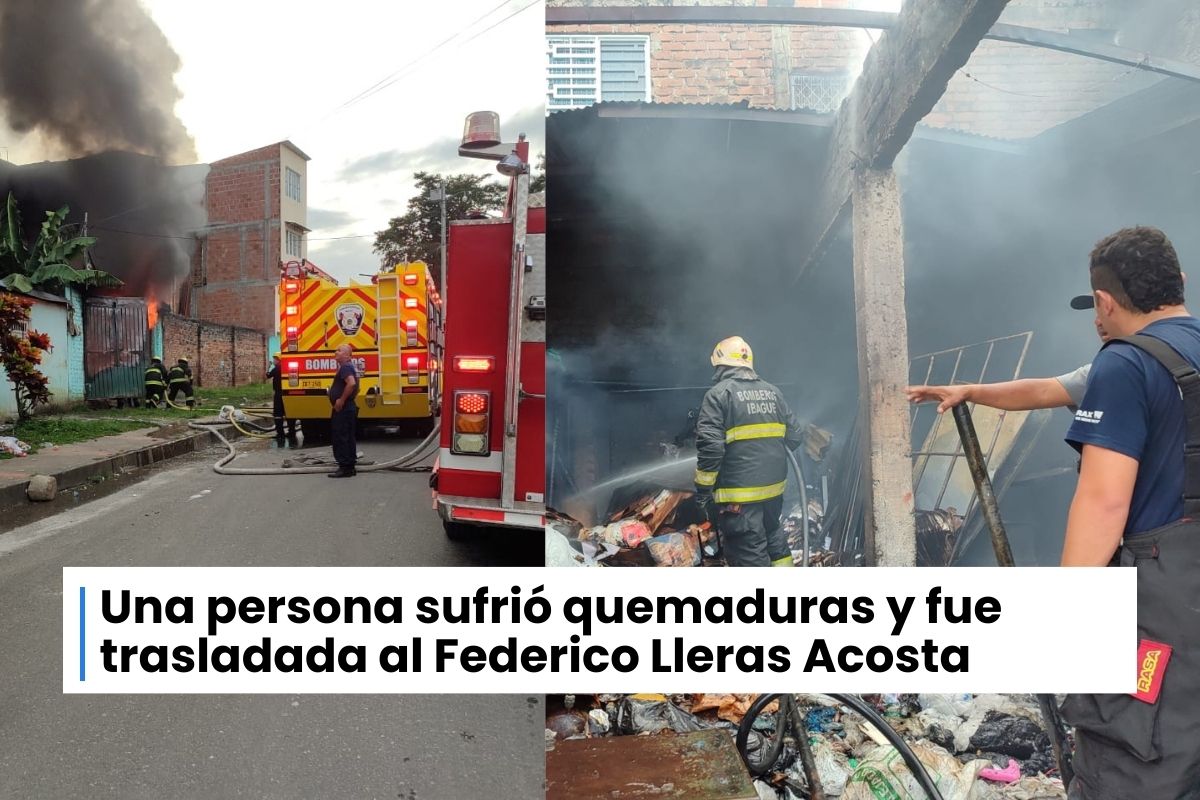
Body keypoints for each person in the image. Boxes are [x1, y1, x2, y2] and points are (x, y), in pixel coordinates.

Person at [1055, 226, 1200, 799]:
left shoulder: (1125, 363)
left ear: (1106, 301)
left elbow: (1104, 500)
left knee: (1136, 759)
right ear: (1178, 285)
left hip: (1158, 609)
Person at [693, 336, 804, 567]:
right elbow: (795, 437)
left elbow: (711, 449)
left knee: (749, 556)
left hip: (739, 499)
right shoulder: (773, 392)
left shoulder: (718, 395)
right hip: (773, 493)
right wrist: (766, 453)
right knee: (775, 542)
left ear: (721, 366)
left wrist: (703, 492)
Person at [906, 313, 1108, 413]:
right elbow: (1041, 391)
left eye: (1106, 309)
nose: (1097, 321)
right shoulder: (1097, 374)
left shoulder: (1120, 371)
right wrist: (968, 392)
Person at [328, 343, 359, 478]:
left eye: (339, 350)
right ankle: (349, 466)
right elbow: (358, 386)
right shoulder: (350, 367)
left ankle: (344, 467)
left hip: (344, 408)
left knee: (341, 436)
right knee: (348, 436)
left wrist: (341, 400)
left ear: (347, 355)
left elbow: (351, 384)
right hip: (349, 407)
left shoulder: (346, 367)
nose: (336, 352)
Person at [266, 353, 298, 446]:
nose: (274, 361)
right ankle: (292, 432)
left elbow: (268, 376)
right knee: (289, 413)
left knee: (278, 414)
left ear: (278, 359)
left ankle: (280, 434)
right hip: (288, 393)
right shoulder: (286, 367)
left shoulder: (277, 368)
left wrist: (268, 367)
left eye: (275, 359)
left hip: (279, 394)